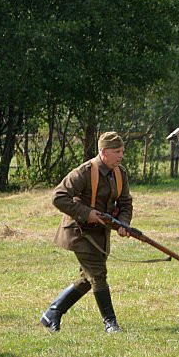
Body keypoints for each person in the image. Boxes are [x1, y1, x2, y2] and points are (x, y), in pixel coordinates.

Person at [40, 131, 133, 333]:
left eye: (122, 151)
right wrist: (86, 213)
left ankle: (52, 313)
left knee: (86, 279)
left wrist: (123, 223)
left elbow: (125, 202)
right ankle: (110, 323)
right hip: (79, 231)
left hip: (100, 232)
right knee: (98, 275)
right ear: (103, 151)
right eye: (116, 151)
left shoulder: (120, 173)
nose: (121, 155)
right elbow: (59, 197)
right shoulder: (84, 172)